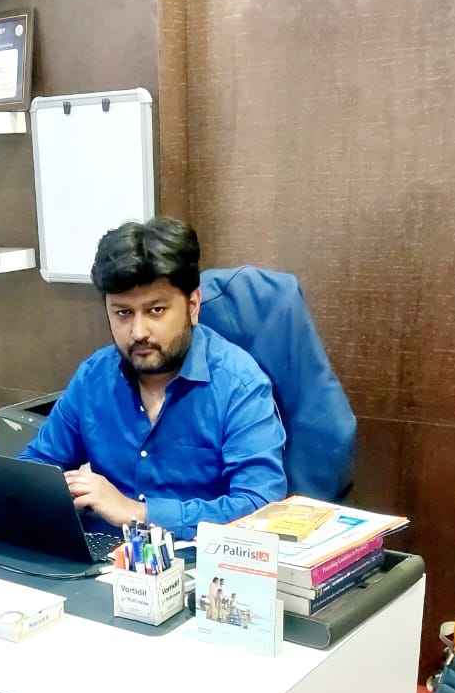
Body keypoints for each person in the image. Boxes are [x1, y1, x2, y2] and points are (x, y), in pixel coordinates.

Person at [19, 217, 286, 540]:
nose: (138, 332)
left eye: (156, 310)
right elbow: (36, 465)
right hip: (100, 562)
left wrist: (137, 512)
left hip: (194, 567)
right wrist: (51, 494)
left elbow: (260, 507)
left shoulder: (239, 385)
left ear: (192, 305)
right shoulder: (94, 377)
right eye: (123, 313)